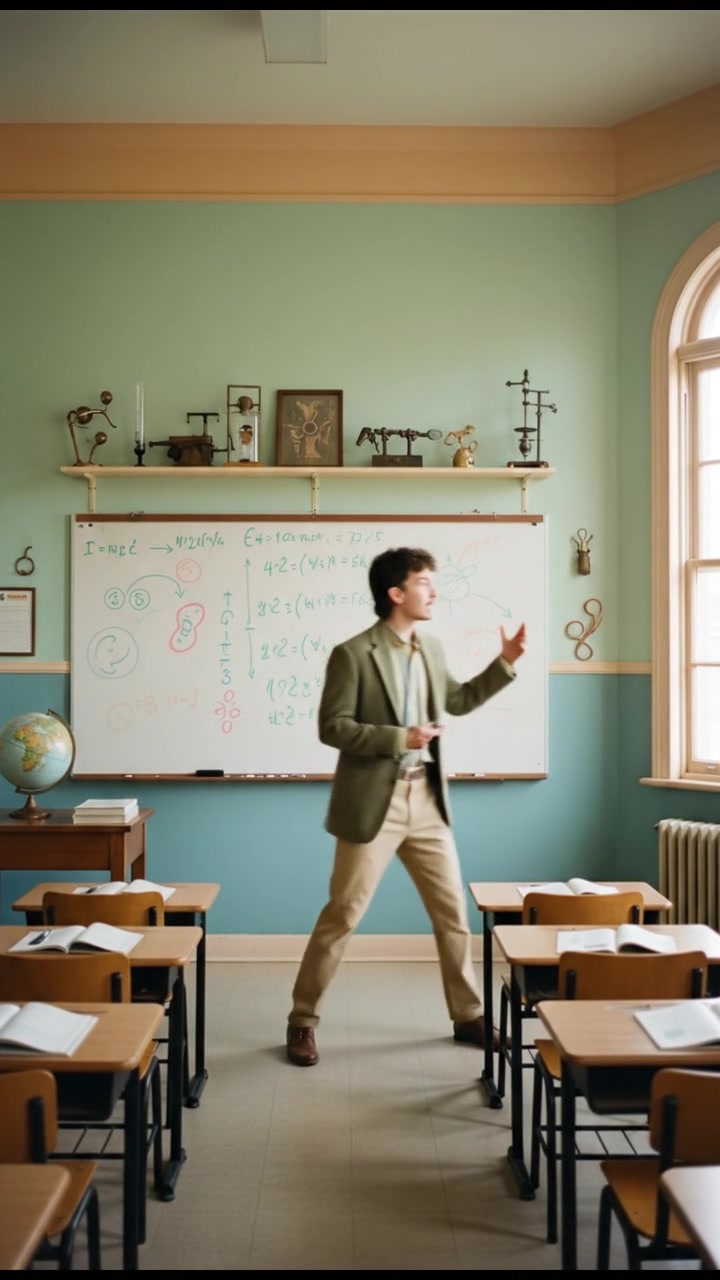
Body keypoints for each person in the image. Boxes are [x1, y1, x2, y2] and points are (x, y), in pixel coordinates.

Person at [286, 545, 526, 1066]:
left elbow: (458, 700)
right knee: (343, 914)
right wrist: (402, 737)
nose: (433, 591)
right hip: (375, 802)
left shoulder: (432, 648)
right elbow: (333, 727)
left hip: (427, 799)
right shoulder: (352, 654)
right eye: (423, 583)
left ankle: (467, 1016)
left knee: (453, 917)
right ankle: (302, 1020)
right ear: (396, 593)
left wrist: (504, 663)